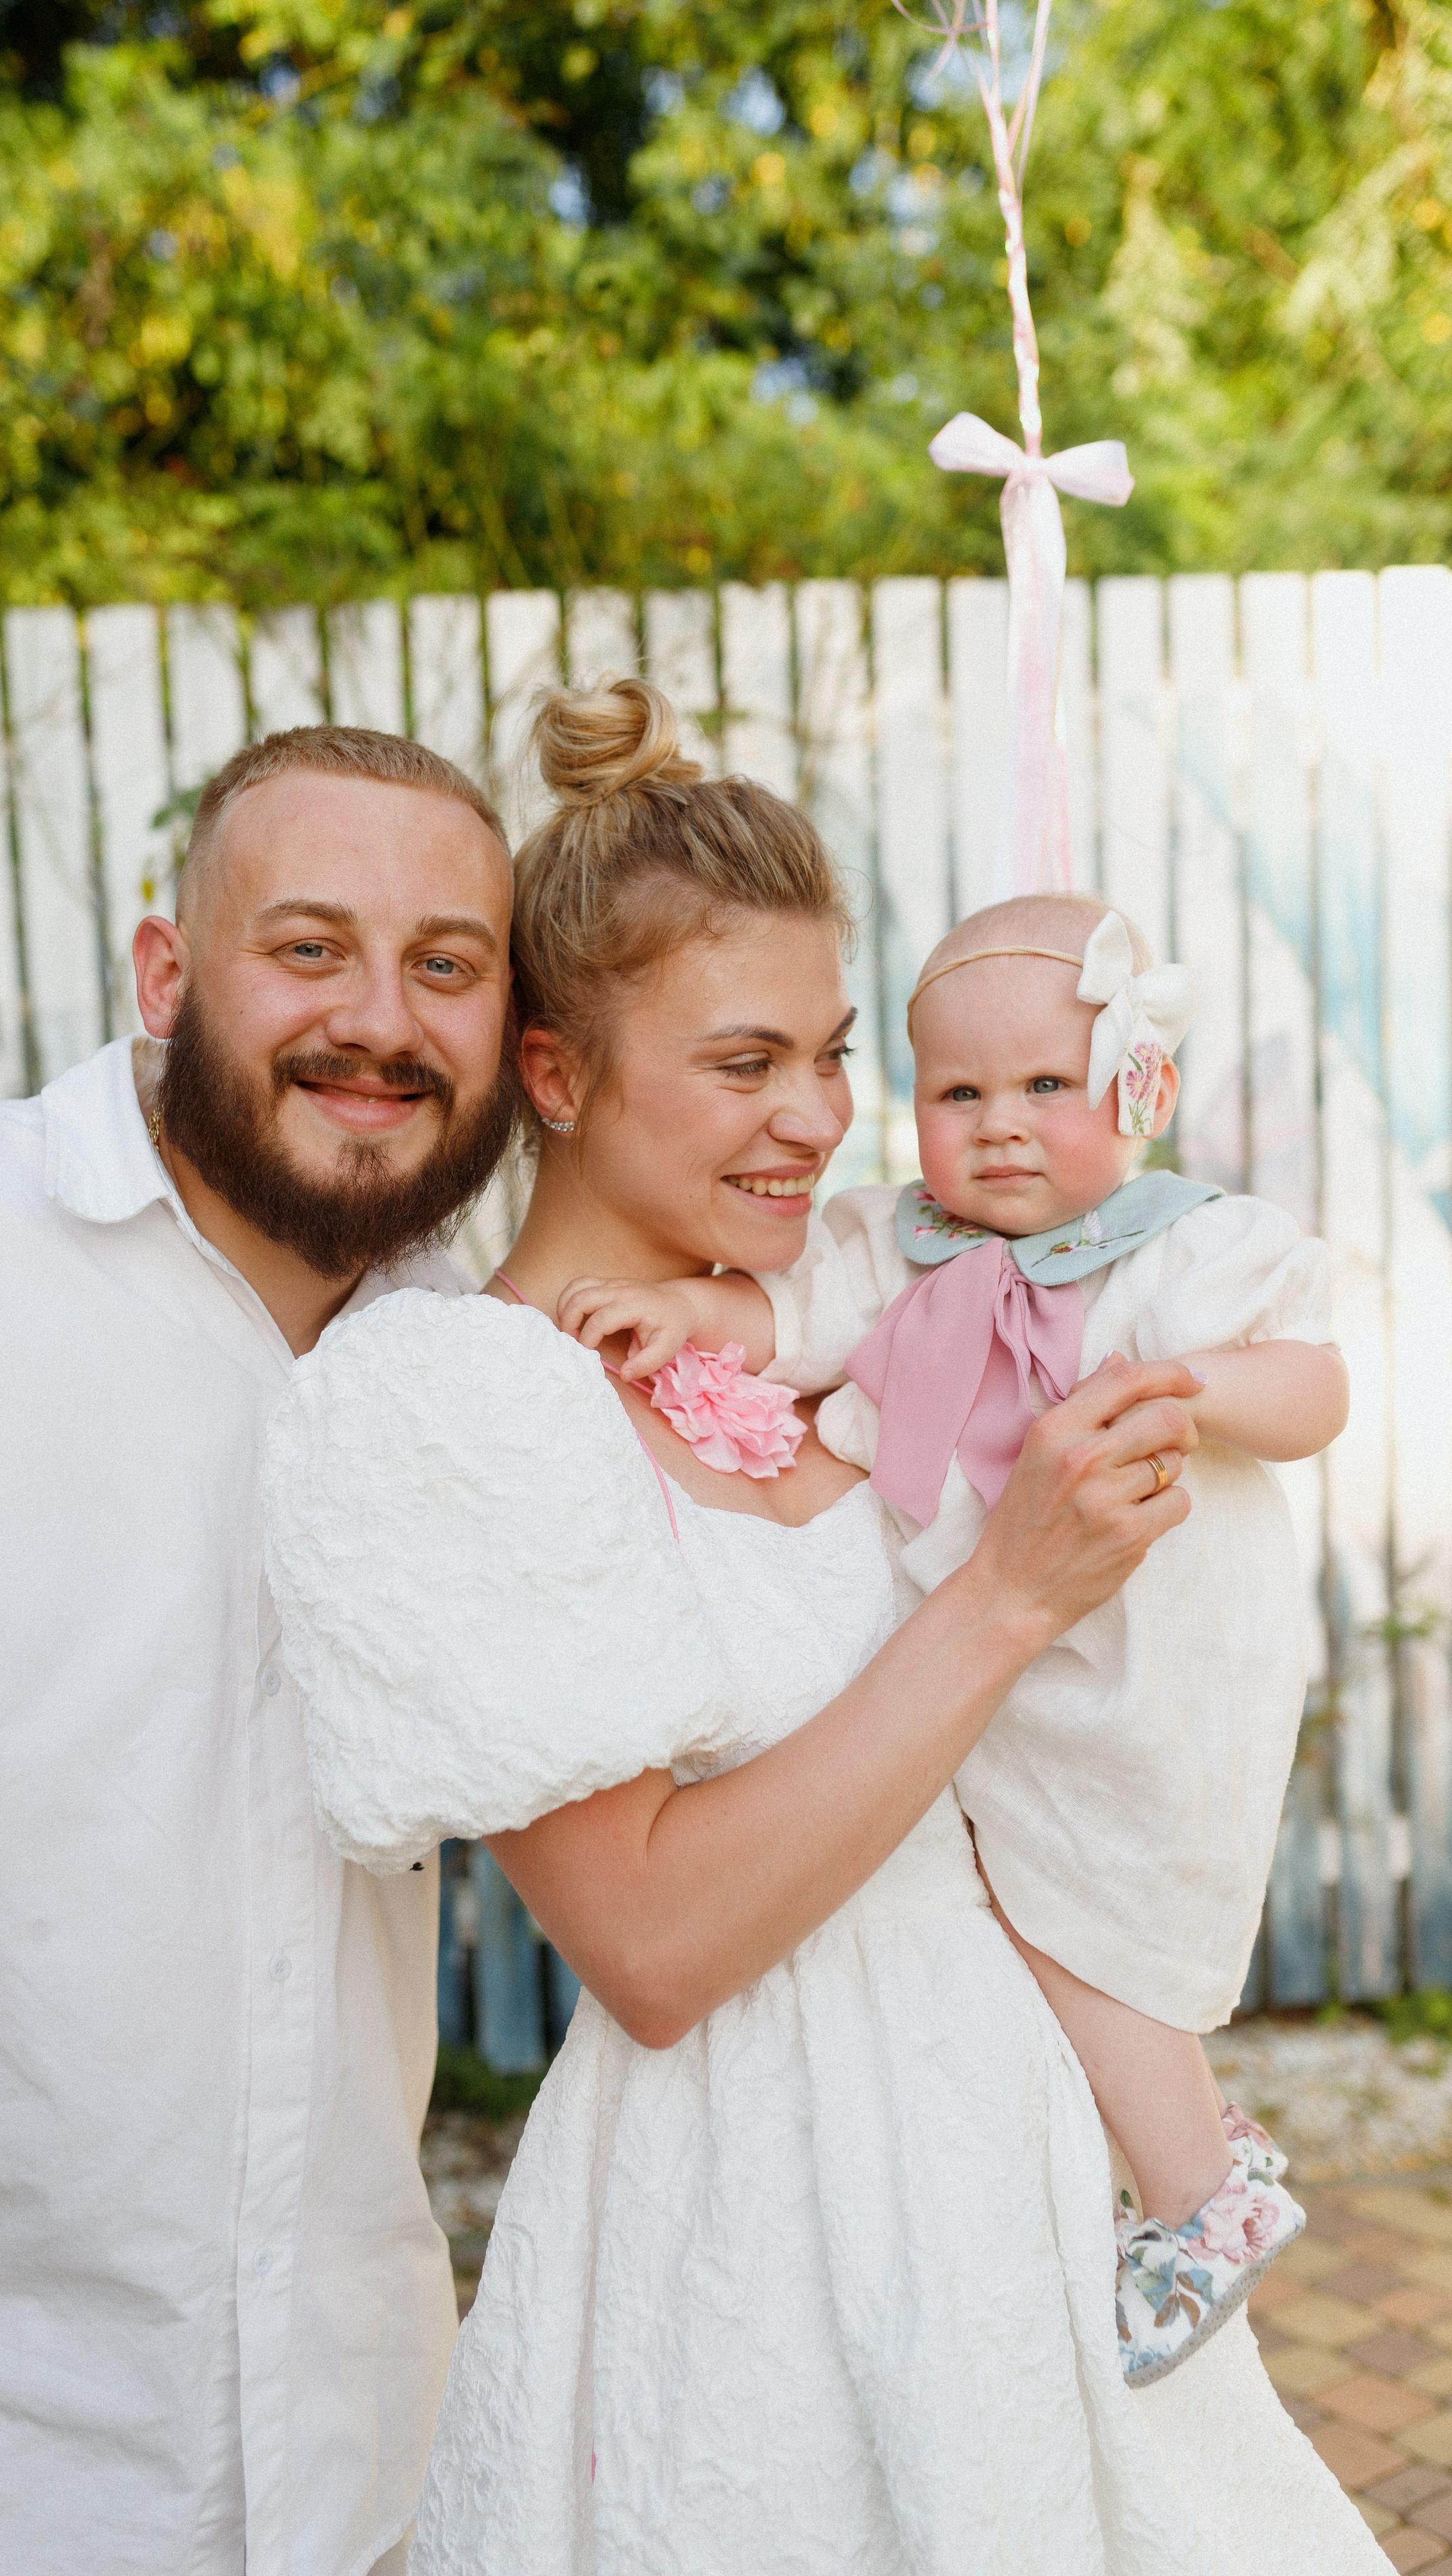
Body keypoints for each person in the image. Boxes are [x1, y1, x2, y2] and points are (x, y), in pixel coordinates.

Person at [264, 678, 1385, 2573]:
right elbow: (650, 1946)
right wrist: (1010, 1595)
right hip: (754, 2205)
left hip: (1012, 2148)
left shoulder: (856, 1317)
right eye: (743, 1063)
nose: (812, 1120)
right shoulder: (461, 1398)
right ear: (557, 1075)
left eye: (833, 1056)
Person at [0, 724, 519, 2576]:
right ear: (166, 975)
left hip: (340, 2460)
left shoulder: (484, 1356)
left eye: (446, 965)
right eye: (308, 948)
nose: (380, 1020)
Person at [559, 888, 1349, 2385]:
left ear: (1136, 1090)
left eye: (1045, 1084)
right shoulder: (891, 1243)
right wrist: (677, 1315)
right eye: (957, 1093)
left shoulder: (1180, 1251)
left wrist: (1179, 1389)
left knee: (1089, 1902)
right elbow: (783, 1319)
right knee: (1027, 1891)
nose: (999, 1128)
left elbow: (1315, 1387)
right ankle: (1183, 2159)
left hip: (1152, 1648)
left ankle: (1200, 2190)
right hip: (1012, 1655)